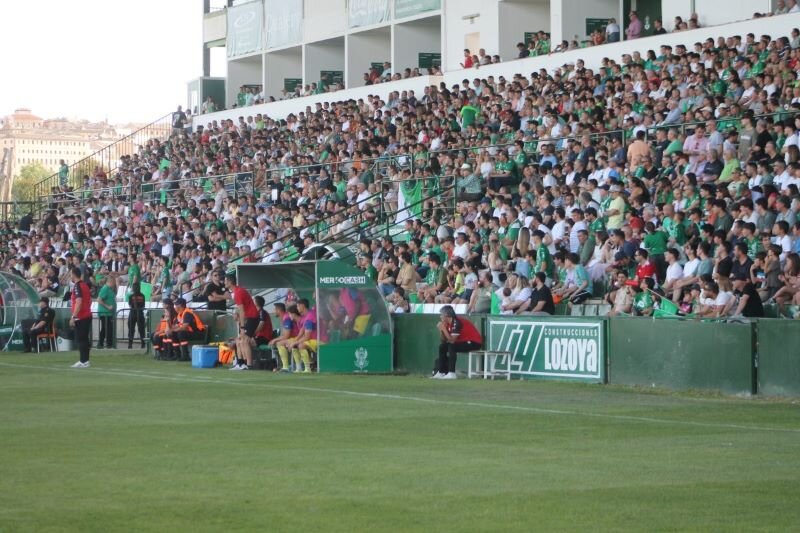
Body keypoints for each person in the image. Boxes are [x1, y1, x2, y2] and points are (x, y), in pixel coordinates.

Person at [433, 305, 482, 380]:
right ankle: (441, 372)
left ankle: (451, 373)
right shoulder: (448, 324)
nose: (440, 317)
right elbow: (443, 340)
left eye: (441, 315)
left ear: (446, 315)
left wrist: (444, 329)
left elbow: (452, 340)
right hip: (463, 342)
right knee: (442, 346)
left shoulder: (457, 322)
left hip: (474, 342)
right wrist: (441, 330)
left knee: (451, 346)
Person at [225, 272, 259, 370]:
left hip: (252, 317)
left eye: (226, 281)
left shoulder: (238, 293)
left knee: (244, 340)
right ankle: (240, 363)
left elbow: (242, 311)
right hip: (249, 318)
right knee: (239, 340)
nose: (224, 283)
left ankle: (249, 364)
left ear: (231, 282)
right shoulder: (237, 292)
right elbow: (240, 309)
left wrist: (243, 327)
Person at [69, 267, 92, 368]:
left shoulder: (77, 286)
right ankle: (85, 360)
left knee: (81, 339)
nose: (70, 276)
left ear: (73, 274)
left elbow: (78, 302)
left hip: (81, 317)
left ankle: (83, 361)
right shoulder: (85, 285)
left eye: (70, 274)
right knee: (84, 339)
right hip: (87, 315)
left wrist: (73, 316)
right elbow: (89, 300)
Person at [287, 298, 317, 373]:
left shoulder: (310, 317)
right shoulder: (306, 316)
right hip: (312, 340)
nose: (297, 308)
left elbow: (307, 337)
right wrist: (294, 341)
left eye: (297, 306)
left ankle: (307, 368)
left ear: (302, 306)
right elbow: (301, 332)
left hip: (319, 339)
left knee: (301, 345)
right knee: (294, 344)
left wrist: (295, 342)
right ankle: (299, 367)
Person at [271, 303, 300, 372]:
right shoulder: (284, 318)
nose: (273, 311)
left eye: (275, 309)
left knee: (279, 343)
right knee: (277, 343)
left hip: (296, 337)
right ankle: (282, 366)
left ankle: (286, 367)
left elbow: (286, 335)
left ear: (279, 310)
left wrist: (275, 340)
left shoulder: (287, 318)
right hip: (294, 338)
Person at [96, 276, 116, 349]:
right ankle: (107, 344)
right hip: (105, 313)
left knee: (106, 328)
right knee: (107, 328)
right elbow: (99, 299)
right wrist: (107, 307)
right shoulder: (105, 289)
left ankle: (102, 343)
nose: (114, 284)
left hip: (108, 313)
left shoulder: (109, 289)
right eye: (114, 282)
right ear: (110, 282)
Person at [127, 282, 146, 349]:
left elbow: (129, 305)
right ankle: (142, 344)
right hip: (139, 313)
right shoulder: (142, 296)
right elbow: (143, 305)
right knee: (140, 329)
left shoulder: (131, 296)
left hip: (133, 313)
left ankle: (130, 344)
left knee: (132, 329)